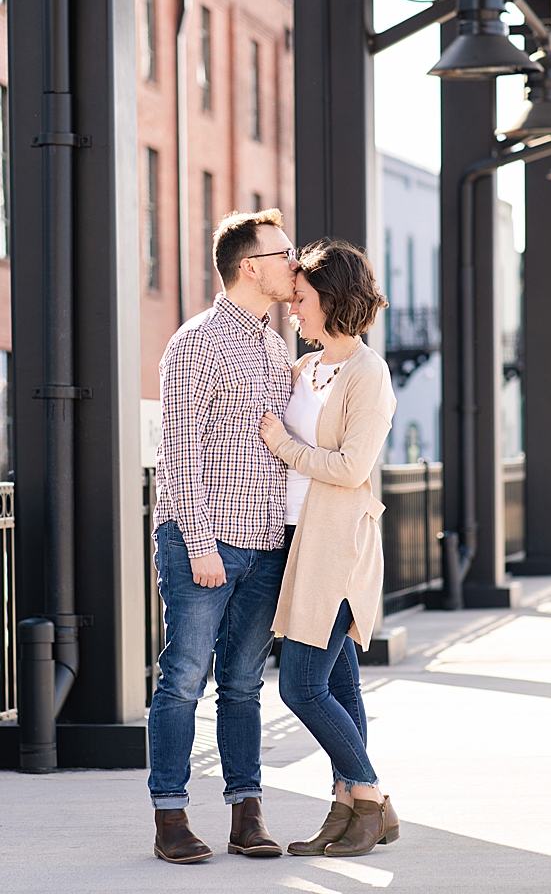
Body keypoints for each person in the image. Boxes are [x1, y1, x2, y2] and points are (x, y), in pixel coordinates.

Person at [148, 209, 298, 863]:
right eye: (285, 252)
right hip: (203, 542)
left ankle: (246, 813)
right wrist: (202, 544)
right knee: (182, 677)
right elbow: (177, 452)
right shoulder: (196, 342)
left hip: (264, 544)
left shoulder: (273, 345)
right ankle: (170, 816)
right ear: (250, 266)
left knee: (242, 683)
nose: (294, 263)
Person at [258, 238, 398, 858]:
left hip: (337, 552)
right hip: (295, 544)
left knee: (301, 688)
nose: (294, 311)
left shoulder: (369, 375)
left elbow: (349, 467)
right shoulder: (303, 369)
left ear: (332, 300)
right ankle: (350, 813)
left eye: (303, 299)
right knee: (340, 691)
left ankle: (368, 796)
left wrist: (282, 445)